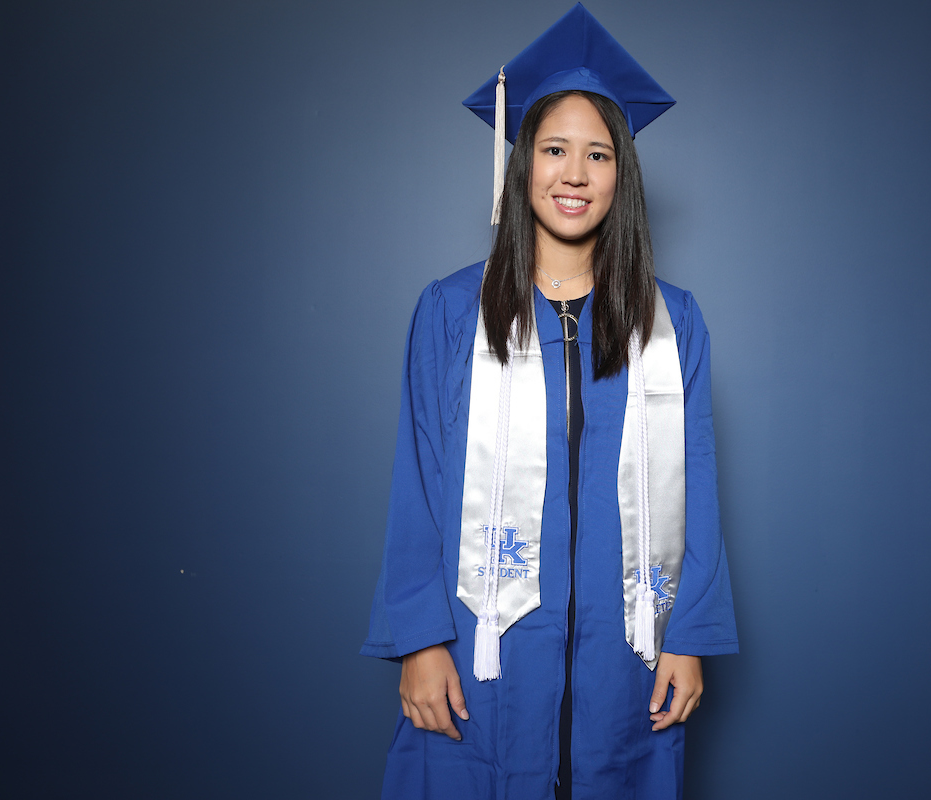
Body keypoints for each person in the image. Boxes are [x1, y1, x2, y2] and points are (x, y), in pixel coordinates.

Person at [361, 6, 737, 799]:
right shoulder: (452, 311)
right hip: (482, 645)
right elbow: (420, 481)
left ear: (620, 175)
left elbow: (696, 483)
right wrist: (420, 640)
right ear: (521, 161)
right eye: (555, 149)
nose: (575, 173)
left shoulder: (671, 322)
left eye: (598, 154)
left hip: (627, 646)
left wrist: (690, 637)